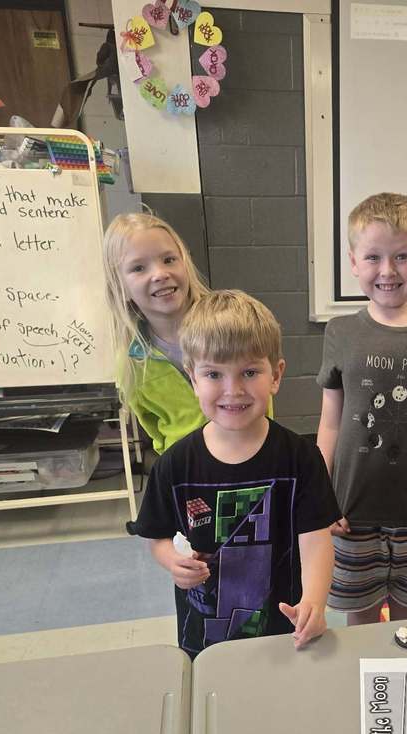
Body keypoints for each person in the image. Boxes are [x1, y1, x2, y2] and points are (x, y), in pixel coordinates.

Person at [128, 290, 340, 659]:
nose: (233, 390)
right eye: (214, 374)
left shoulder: (301, 458)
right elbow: (157, 537)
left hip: (283, 630)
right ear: (193, 378)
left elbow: (316, 539)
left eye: (249, 372)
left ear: (275, 375)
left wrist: (315, 602)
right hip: (204, 636)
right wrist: (171, 562)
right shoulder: (174, 466)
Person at [316, 192, 407, 625]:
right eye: (374, 257)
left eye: (402, 256)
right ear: (354, 261)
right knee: (359, 622)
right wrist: (320, 499)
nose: (388, 271)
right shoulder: (341, 331)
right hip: (352, 510)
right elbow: (329, 426)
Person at [103, 211, 209, 455]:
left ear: (185, 263)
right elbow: (153, 427)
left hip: (248, 459)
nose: (160, 274)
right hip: (186, 471)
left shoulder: (228, 328)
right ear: (121, 287)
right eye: (139, 268)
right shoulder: (133, 363)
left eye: (169, 260)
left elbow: (260, 397)